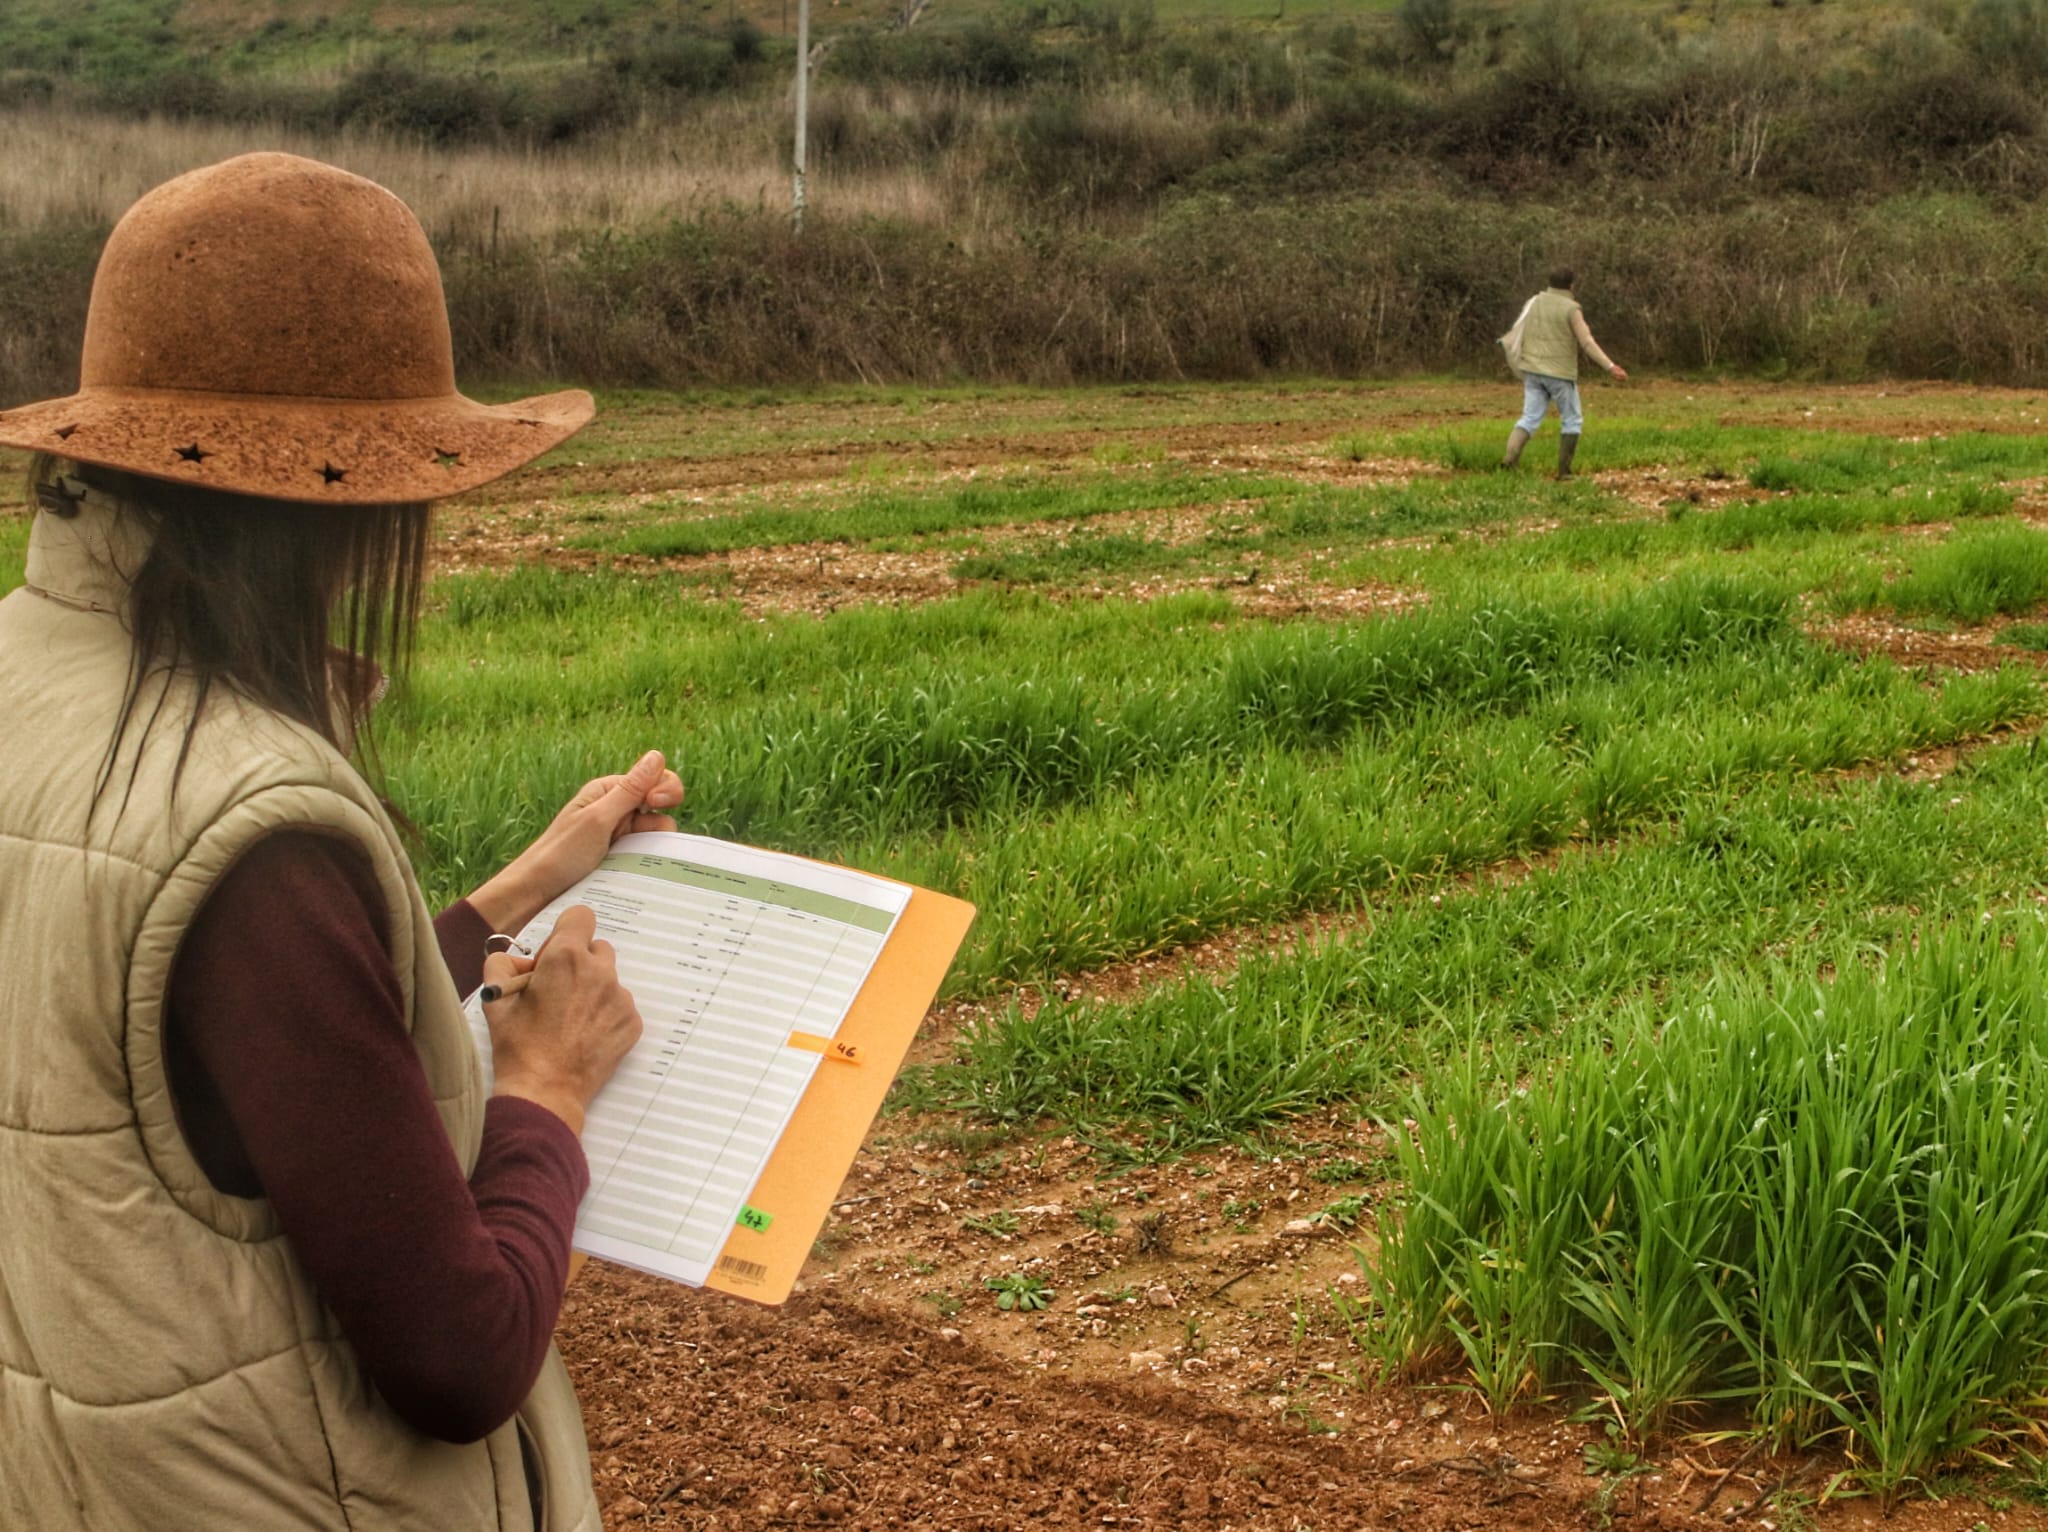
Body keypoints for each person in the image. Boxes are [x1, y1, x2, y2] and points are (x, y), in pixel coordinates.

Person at [0, 153, 685, 1530]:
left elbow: (212, 1040)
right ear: (348, 500)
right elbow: (459, 1353)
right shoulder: (248, 820)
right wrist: (544, 1089)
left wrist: (526, 887)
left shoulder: (29, 670)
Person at [1498, 267, 1628, 480]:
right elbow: (1586, 342)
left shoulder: (1534, 302)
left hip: (1531, 370)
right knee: (1572, 420)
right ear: (1571, 285)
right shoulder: (1571, 308)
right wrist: (1610, 366)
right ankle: (1564, 472)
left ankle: (1509, 461)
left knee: (1529, 417)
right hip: (1559, 373)